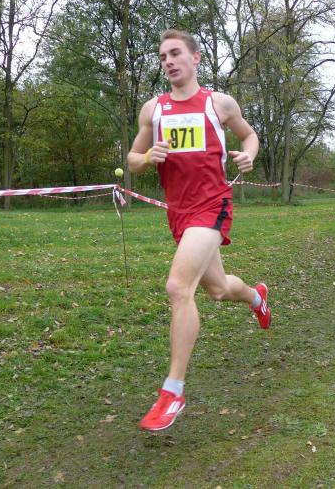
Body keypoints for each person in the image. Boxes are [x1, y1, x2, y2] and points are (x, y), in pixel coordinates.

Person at [127, 29, 271, 432]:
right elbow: (132, 158)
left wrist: (248, 155)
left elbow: (249, 134)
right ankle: (256, 297)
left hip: (212, 204)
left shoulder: (218, 103)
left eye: (175, 53)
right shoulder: (153, 110)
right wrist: (147, 157)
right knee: (219, 289)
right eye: (162, 57)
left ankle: (173, 391)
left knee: (178, 288)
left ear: (195, 58)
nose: (168, 61)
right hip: (179, 211)